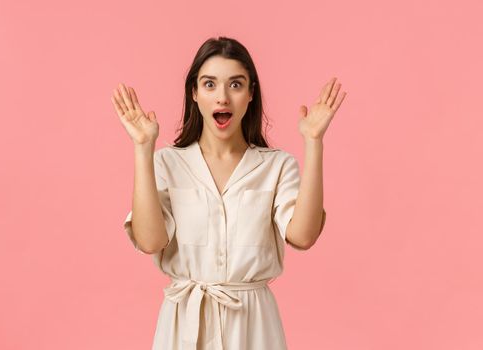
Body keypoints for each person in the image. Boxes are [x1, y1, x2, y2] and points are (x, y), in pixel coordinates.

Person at [111, 36, 346, 350]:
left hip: (254, 326)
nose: (222, 97)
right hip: (184, 325)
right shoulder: (167, 162)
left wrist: (314, 142)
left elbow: (303, 236)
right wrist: (143, 150)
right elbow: (151, 241)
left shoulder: (276, 166)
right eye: (210, 84)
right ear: (194, 92)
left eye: (235, 85)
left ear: (251, 93)